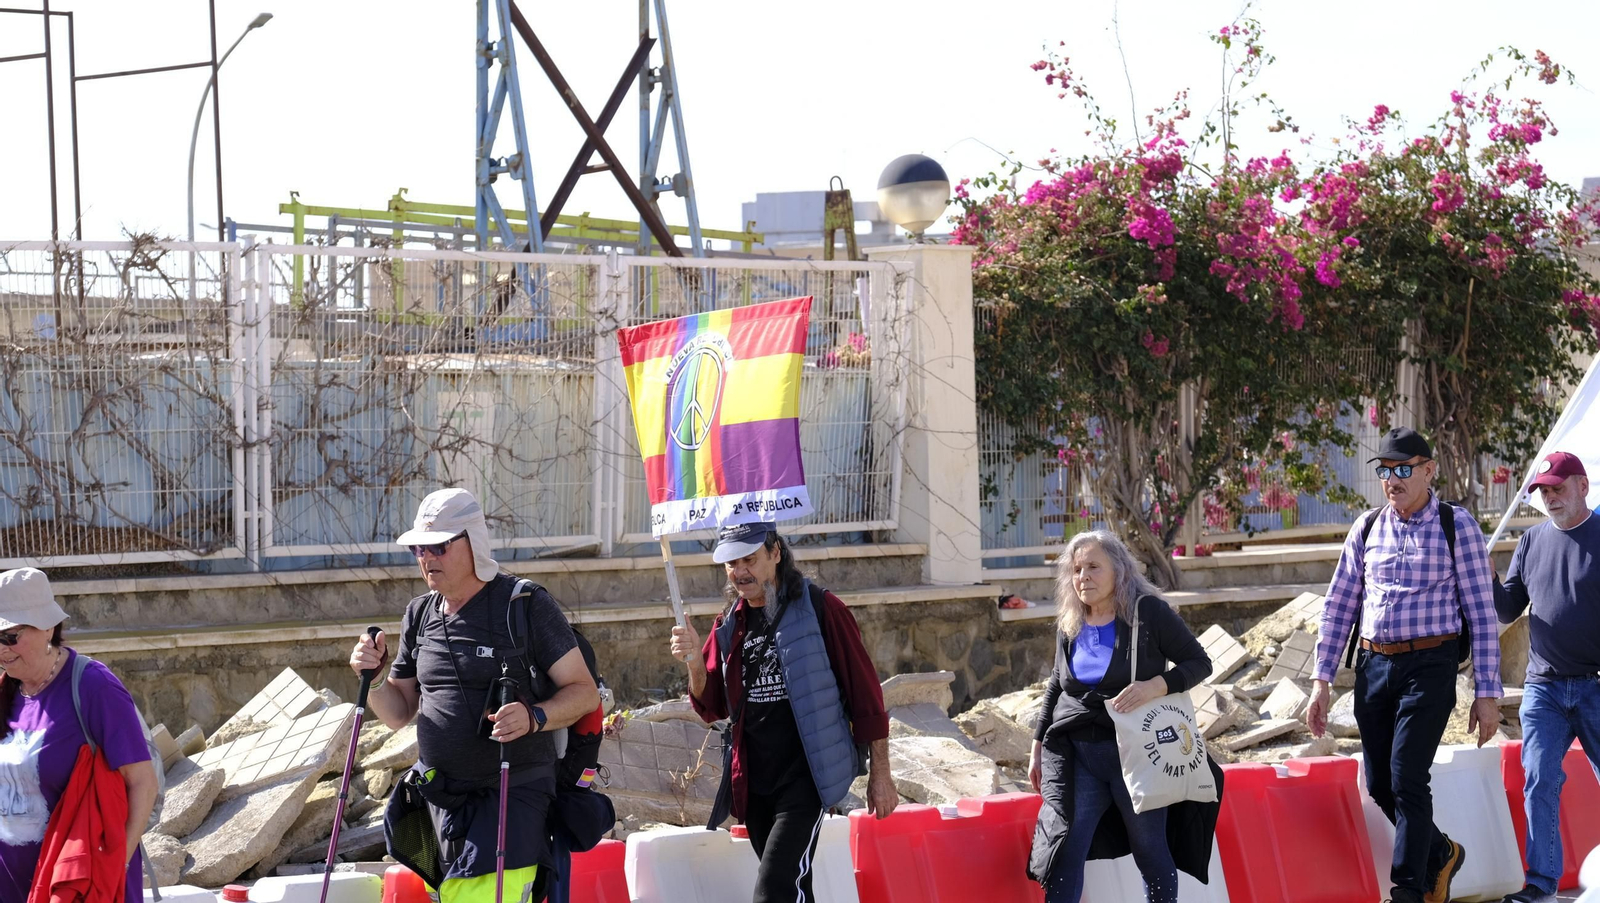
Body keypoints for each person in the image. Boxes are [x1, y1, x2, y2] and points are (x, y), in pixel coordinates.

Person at [350, 488, 599, 903]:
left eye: (438, 546)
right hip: (439, 800)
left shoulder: (524, 604)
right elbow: (398, 712)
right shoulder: (419, 613)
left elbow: (585, 694)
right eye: (418, 549)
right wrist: (373, 678)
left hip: (510, 794)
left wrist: (534, 716)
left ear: (473, 541)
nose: (426, 558)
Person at [1307, 426, 1502, 903]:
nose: (1392, 479)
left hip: (1431, 666)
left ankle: (1407, 892)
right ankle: (1439, 852)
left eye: (1403, 469)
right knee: (1379, 784)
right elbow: (1339, 605)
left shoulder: (1458, 526)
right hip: (1373, 666)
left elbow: (1481, 611)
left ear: (1428, 470)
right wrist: (1321, 680)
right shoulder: (1367, 527)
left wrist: (1487, 693)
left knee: (1407, 777)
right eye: (1385, 471)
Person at [669, 523, 896, 903]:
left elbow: (866, 696)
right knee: (792, 889)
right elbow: (711, 705)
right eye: (731, 563)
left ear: (775, 554)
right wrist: (693, 662)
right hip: (754, 780)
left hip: (807, 775)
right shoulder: (729, 623)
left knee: (773, 889)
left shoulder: (821, 607)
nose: (740, 572)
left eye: (750, 560)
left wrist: (881, 774)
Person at [1027, 529, 1220, 903]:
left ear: (1119, 569)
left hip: (1136, 755)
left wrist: (1155, 687)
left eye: (1094, 567)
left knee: (1149, 850)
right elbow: (1057, 683)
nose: (1083, 577)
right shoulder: (1070, 620)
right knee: (1064, 848)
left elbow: (1200, 662)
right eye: (1076, 569)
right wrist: (1036, 744)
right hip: (1078, 754)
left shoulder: (1147, 613)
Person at [0, 567, 158, 903]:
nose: (1, 649)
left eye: (10, 636)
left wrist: (113, 865)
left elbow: (143, 783)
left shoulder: (92, 686)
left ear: (47, 628)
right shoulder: (5, 692)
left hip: (80, 889)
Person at [1490, 451, 1600, 903]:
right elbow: (1506, 609)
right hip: (1545, 686)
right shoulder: (1531, 542)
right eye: (1543, 491)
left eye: (1558, 488)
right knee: (1538, 779)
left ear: (1583, 486)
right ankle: (1541, 886)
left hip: (1597, 683)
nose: (1550, 498)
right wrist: (1488, 579)